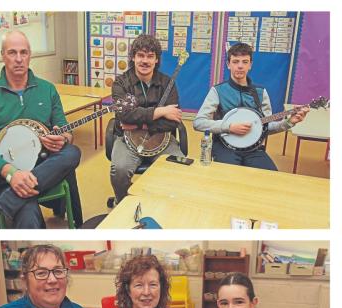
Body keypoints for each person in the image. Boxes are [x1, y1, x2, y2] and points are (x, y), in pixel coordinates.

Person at [0, 31, 81, 229]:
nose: (19, 59)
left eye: (23, 52)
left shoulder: (48, 89)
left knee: (72, 152)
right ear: (3, 55)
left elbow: (63, 128)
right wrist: (12, 173)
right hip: (6, 167)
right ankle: (9, 198)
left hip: (41, 162)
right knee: (28, 216)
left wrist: (63, 138)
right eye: (12, 52)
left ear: (30, 55)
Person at [193, 42, 307, 170]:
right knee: (229, 173)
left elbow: (266, 127)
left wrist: (288, 122)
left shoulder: (260, 92)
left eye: (245, 62)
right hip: (224, 147)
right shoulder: (218, 91)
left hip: (253, 149)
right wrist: (229, 127)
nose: (240, 66)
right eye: (235, 61)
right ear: (228, 64)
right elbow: (198, 123)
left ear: (250, 65)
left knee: (271, 174)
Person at [109, 34, 184, 204]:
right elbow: (124, 115)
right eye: (140, 55)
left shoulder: (168, 83)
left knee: (179, 169)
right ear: (133, 57)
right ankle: (122, 202)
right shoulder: (120, 83)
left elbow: (173, 119)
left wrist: (139, 123)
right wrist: (160, 112)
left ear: (156, 60)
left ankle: (162, 203)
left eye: (150, 56)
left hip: (162, 138)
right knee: (120, 170)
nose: (145, 61)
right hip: (126, 138)